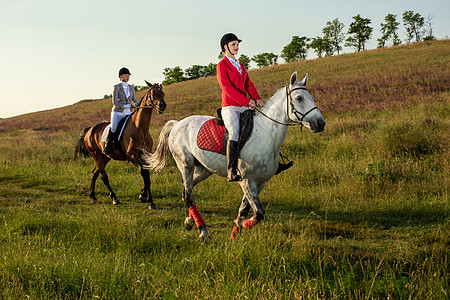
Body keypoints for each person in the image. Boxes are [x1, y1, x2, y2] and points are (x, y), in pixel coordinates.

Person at [216, 33, 264, 182]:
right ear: (225, 47)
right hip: (230, 107)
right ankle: (231, 170)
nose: (237, 47)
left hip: (244, 105)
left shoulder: (240, 65)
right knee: (234, 133)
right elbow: (226, 87)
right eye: (233, 44)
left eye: (237, 44)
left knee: (261, 127)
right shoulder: (221, 65)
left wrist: (257, 98)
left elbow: (249, 84)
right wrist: (246, 101)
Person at [103, 67, 139, 155]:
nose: (127, 77)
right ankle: (108, 145)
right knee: (114, 127)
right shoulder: (117, 87)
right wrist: (125, 105)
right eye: (125, 75)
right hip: (118, 112)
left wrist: (138, 105)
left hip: (128, 113)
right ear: (120, 76)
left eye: (128, 75)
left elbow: (134, 100)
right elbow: (115, 102)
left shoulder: (131, 87)